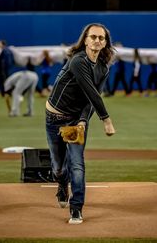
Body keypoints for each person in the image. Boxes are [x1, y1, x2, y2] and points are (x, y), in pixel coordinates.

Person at [45, 23, 116, 224]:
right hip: (53, 119)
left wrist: (83, 120)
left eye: (101, 38)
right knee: (58, 168)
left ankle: (76, 209)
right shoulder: (78, 61)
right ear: (85, 39)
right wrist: (106, 120)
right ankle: (61, 184)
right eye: (92, 36)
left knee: (77, 164)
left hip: (74, 121)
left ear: (105, 43)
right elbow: (91, 92)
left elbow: (90, 99)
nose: (97, 41)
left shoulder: (103, 68)